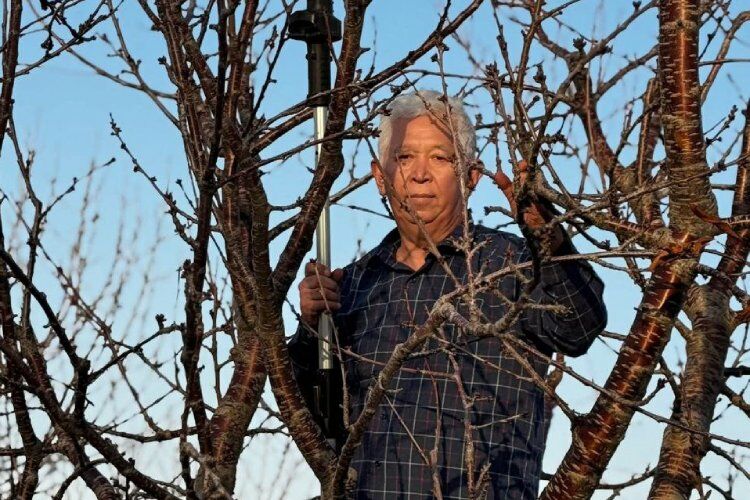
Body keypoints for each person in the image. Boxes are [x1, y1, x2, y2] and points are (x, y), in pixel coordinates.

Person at [288, 90, 607, 499]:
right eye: (405, 157)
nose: (420, 174)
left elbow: (579, 328)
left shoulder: (513, 264)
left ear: (471, 177)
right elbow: (312, 421)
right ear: (380, 177)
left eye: (440, 158)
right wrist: (310, 329)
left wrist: (550, 239)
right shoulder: (350, 287)